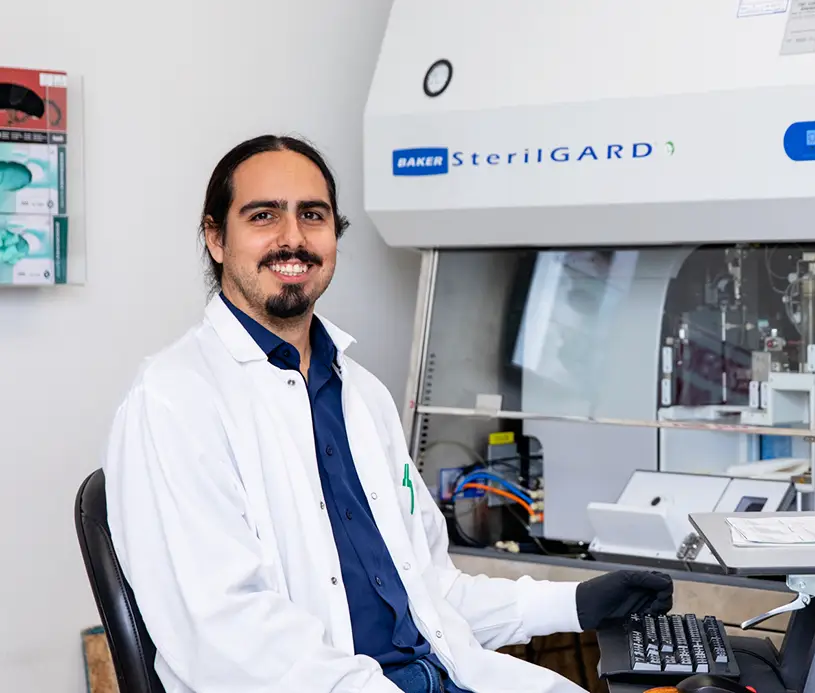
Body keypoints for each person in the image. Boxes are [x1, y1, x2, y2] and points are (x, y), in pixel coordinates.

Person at [103, 134, 673, 693]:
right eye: (262, 216)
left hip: (443, 674)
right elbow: (225, 639)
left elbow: (429, 593)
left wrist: (573, 603)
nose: (292, 238)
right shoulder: (175, 399)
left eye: (313, 216)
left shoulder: (363, 395)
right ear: (216, 239)